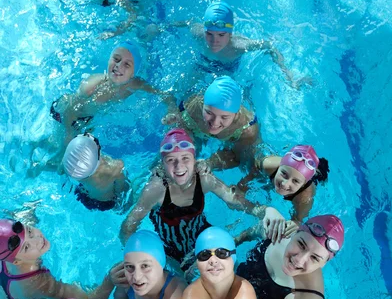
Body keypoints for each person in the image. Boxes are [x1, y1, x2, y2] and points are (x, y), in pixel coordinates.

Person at [120, 129, 264, 275]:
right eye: (171, 160)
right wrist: (135, 259)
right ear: (163, 164)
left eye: (185, 158)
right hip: (169, 250)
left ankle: (248, 235)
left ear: (194, 160)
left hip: (203, 235)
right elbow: (128, 227)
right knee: (183, 283)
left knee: (231, 270)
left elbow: (233, 200)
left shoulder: (203, 179)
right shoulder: (156, 189)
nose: (179, 166)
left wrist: (262, 211)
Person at [164, 1, 310, 86]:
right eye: (210, 34)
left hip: (228, 70)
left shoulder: (240, 46)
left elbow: (270, 45)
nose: (214, 41)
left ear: (230, 34)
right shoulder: (199, 34)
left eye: (221, 35)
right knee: (180, 90)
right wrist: (160, 28)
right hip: (203, 63)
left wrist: (289, 75)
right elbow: (188, 22)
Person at [50, 40, 169, 140]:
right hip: (66, 115)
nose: (119, 66)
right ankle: (37, 146)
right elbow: (69, 109)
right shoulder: (92, 86)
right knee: (58, 147)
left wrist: (172, 109)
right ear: (109, 61)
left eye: (127, 65)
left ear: (133, 73)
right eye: (116, 59)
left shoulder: (135, 83)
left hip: (89, 117)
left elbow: (164, 95)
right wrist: (69, 133)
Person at [0, 219, 122, 299]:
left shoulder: (9, 247)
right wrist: (109, 280)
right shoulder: (37, 281)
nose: (37, 240)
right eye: (27, 247)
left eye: (30, 231)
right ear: (16, 262)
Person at [163, 77, 260, 170]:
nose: (214, 123)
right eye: (209, 113)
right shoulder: (193, 108)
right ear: (203, 104)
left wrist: (210, 163)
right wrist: (175, 118)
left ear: (236, 114)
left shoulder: (246, 130)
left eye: (224, 117)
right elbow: (170, 100)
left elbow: (236, 158)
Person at [238, 145, 330, 225]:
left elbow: (297, 221)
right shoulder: (269, 164)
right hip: (281, 169)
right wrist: (243, 186)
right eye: (284, 174)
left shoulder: (304, 198)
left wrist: (295, 223)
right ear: (280, 166)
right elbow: (255, 168)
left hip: (316, 177)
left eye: (295, 181)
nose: (285, 184)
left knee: (321, 173)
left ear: (303, 184)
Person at [62, 133, 132, 211]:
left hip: (91, 192)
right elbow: (121, 187)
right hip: (104, 195)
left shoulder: (67, 167)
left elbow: (121, 187)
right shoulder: (113, 169)